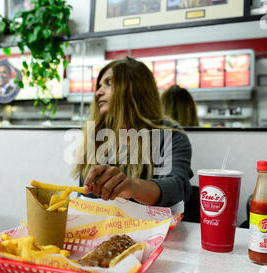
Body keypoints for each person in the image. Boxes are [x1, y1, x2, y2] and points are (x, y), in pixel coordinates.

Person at [71, 57, 193, 208]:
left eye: (108, 83)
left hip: (156, 229)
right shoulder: (96, 137)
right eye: (99, 86)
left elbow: (177, 188)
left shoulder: (171, 136)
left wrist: (132, 186)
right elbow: (85, 199)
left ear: (134, 89)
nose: (98, 92)